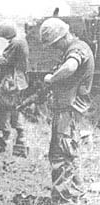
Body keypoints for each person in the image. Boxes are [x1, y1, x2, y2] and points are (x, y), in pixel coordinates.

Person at [40, 17, 94, 204]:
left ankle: (64, 201)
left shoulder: (77, 49)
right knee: (69, 155)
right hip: (68, 112)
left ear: (63, 37)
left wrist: (52, 79)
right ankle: (78, 195)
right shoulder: (77, 47)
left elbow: (71, 66)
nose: (55, 48)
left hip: (68, 112)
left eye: (55, 44)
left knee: (61, 158)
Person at [0, 21, 29, 156]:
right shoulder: (19, 41)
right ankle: (21, 141)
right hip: (19, 81)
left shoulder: (15, 43)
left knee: (0, 109)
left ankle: (6, 138)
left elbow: (5, 61)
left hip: (11, 82)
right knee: (15, 110)